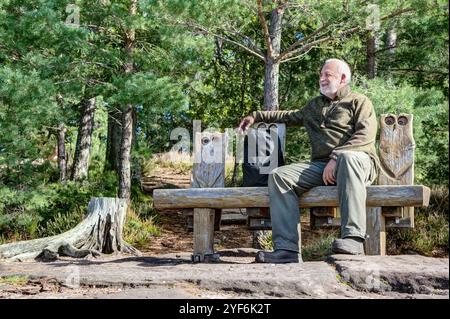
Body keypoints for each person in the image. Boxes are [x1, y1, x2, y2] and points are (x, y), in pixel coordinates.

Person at [238, 58, 379, 263]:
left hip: (358, 162)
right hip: (322, 167)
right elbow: (288, 116)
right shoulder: (314, 106)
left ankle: (353, 239)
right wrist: (256, 116)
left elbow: (365, 136)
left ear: (343, 78)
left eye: (327, 75)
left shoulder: (359, 101)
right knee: (279, 176)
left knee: (347, 159)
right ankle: (287, 250)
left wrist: (336, 157)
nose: (322, 78)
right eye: (320, 75)